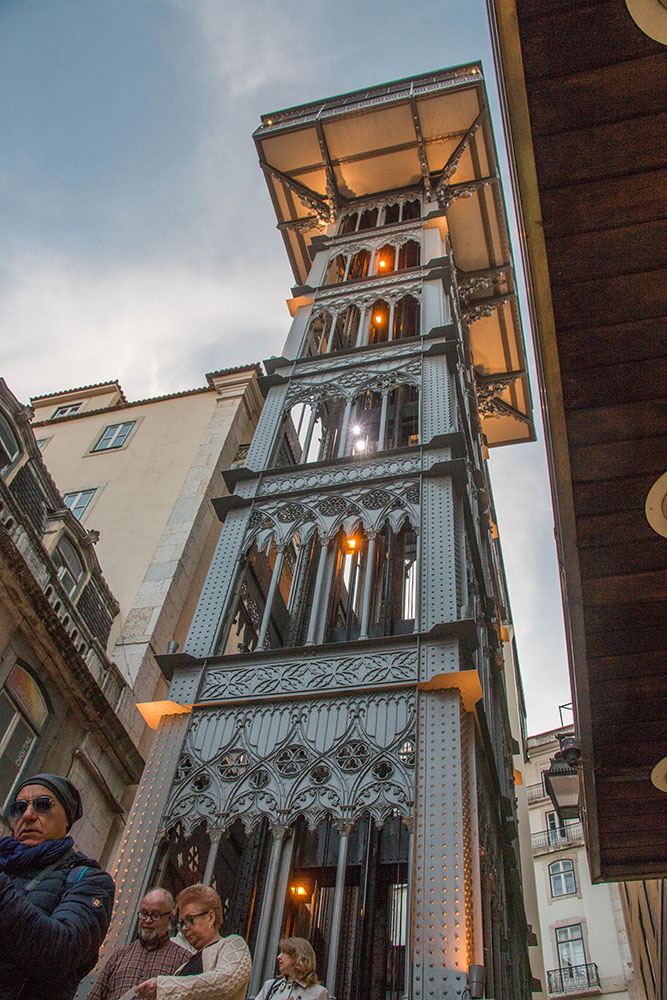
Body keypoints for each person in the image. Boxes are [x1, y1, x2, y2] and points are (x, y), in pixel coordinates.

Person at [0, 772, 115, 1000]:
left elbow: (62, 952)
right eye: (19, 807)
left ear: (67, 819)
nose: (29, 815)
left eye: (42, 805)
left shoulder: (89, 879)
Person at [134, 883, 251, 999]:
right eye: (182, 923)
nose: (184, 928)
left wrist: (164, 987)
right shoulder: (184, 964)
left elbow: (225, 982)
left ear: (210, 917)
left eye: (190, 919)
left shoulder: (233, 944)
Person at [87, 887, 189, 999]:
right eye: (144, 914)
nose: (148, 920)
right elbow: (94, 996)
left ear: (169, 918)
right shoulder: (120, 955)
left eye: (155, 915)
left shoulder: (183, 959)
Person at [255, 938, 328, 1000]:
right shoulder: (269, 986)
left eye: (284, 952)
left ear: (297, 957)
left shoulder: (319, 993)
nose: (278, 957)